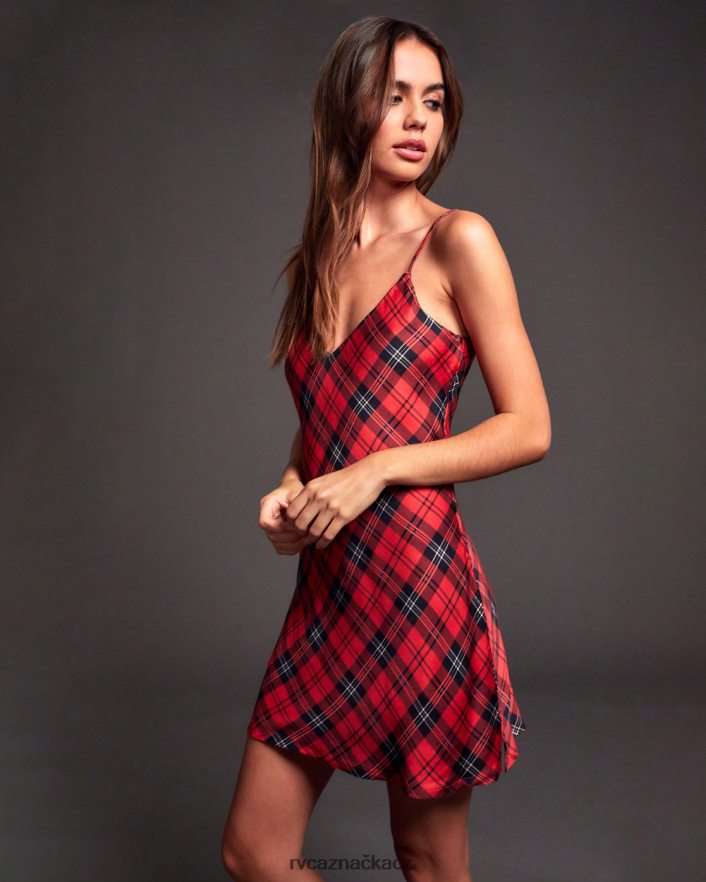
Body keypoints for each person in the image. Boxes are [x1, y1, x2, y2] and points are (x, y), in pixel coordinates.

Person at [222, 15, 551, 882]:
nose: (416, 120)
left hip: (418, 588)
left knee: (427, 858)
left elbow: (529, 426)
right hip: (328, 593)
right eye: (394, 96)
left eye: (433, 102)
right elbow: (334, 412)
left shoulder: (458, 241)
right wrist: (292, 482)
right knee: (255, 853)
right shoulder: (319, 259)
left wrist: (374, 472)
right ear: (348, 108)